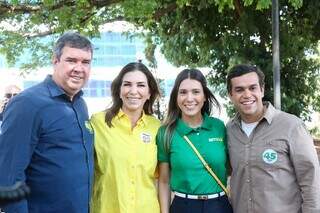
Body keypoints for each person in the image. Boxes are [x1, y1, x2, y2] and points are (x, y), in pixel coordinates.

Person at [0, 32, 94, 213]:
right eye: (71, 60)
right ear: (55, 60)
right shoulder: (27, 104)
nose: (79, 68)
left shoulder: (80, 104)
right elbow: (8, 178)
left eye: (85, 62)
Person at [226, 64, 320, 213]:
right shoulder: (229, 130)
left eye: (252, 88)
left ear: (262, 90)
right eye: (239, 90)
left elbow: (311, 179)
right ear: (230, 95)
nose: (247, 94)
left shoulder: (291, 126)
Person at [157, 69, 233, 213]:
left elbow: (233, 169)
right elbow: (164, 181)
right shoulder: (166, 133)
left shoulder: (219, 127)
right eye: (183, 92)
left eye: (196, 92)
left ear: (204, 96)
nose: (189, 98)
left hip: (219, 206)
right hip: (183, 206)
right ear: (176, 97)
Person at [90, 62, 161, 213]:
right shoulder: (98, 122)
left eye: (141, 85)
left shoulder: (157, 128)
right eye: (127, 84)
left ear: (149, 93)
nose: (133, 91)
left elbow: (163, 179)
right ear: (119, 90)